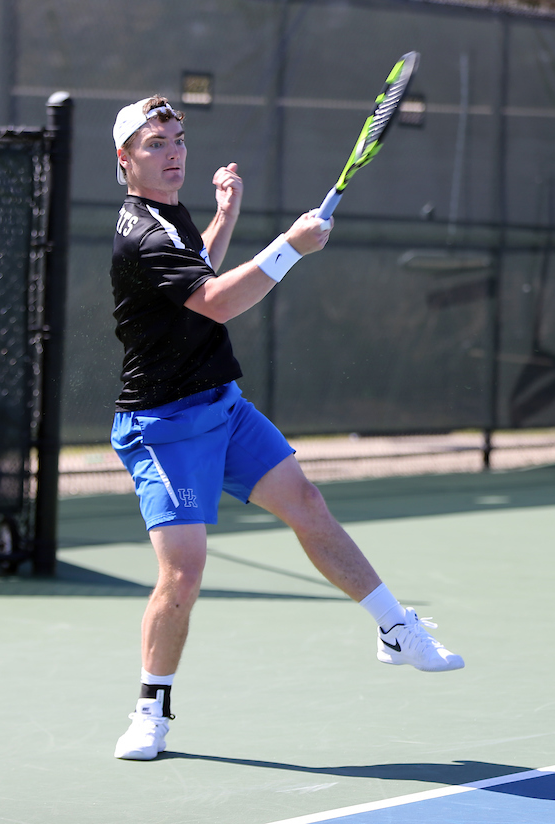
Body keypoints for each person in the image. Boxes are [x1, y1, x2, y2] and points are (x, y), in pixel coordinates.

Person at [108, 96, 464, 762]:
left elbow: (198, 275)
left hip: (222, 405)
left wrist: (225, 216)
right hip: (163, 427)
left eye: (179, 138)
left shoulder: (170, 215)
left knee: (307, 502)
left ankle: (396, 627)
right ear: (124, 158)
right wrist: (290, 249)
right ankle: (150, 710)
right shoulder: (140, 233)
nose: (175, 152)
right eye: (156, 143)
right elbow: (216, 302)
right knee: (183, 574)